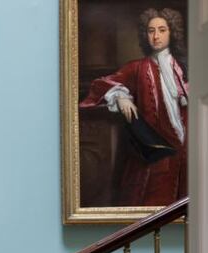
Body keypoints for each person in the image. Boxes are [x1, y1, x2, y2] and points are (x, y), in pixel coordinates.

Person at [80, 8, 188, 206]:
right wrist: (121, 96)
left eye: (162, 30)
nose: (156, 36)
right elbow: (101, 84)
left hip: (186, 157)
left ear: (172, 33)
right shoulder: (136, 68)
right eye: (151, 30)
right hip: (155, 157)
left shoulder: (184, 68)